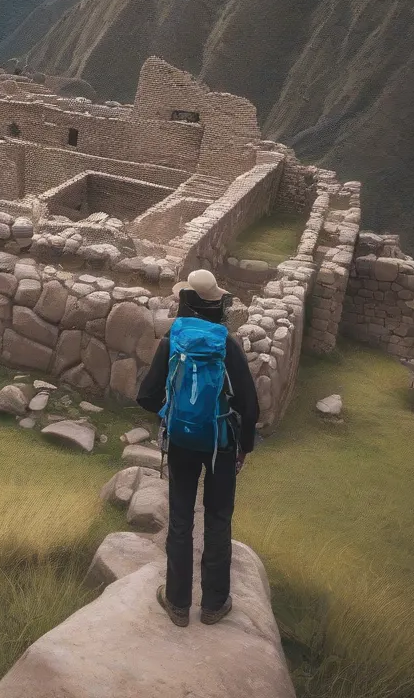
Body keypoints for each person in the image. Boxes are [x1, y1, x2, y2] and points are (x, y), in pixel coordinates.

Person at [136, 269, 259, 628]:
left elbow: (146, 396)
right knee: (218, 518)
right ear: (216, 304)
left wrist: (172, 413)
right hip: (221, 443)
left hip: (182, 444)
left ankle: (176, 603)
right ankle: (214, 604)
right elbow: (250, 407)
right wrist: (243, 447)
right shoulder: (227, 344)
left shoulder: (172, 340)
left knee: (180, 518)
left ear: (185, 301)